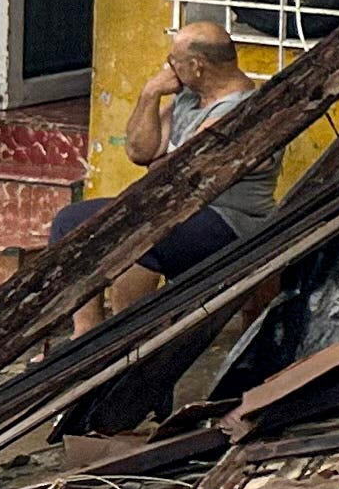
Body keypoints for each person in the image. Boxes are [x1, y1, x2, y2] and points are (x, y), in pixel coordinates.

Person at [50, 20, 280, 336]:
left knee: (140, 236)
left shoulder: (240, 109)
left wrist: (161, 163)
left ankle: (132, 338)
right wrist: (150, 93)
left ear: (197, 67)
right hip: (172, 209)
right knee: (70, 221)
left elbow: (177, 172)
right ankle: (86, 332)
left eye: (174, 61)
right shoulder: (189, 98)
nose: (168, 66)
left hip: (226, 221)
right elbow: (139, 152)